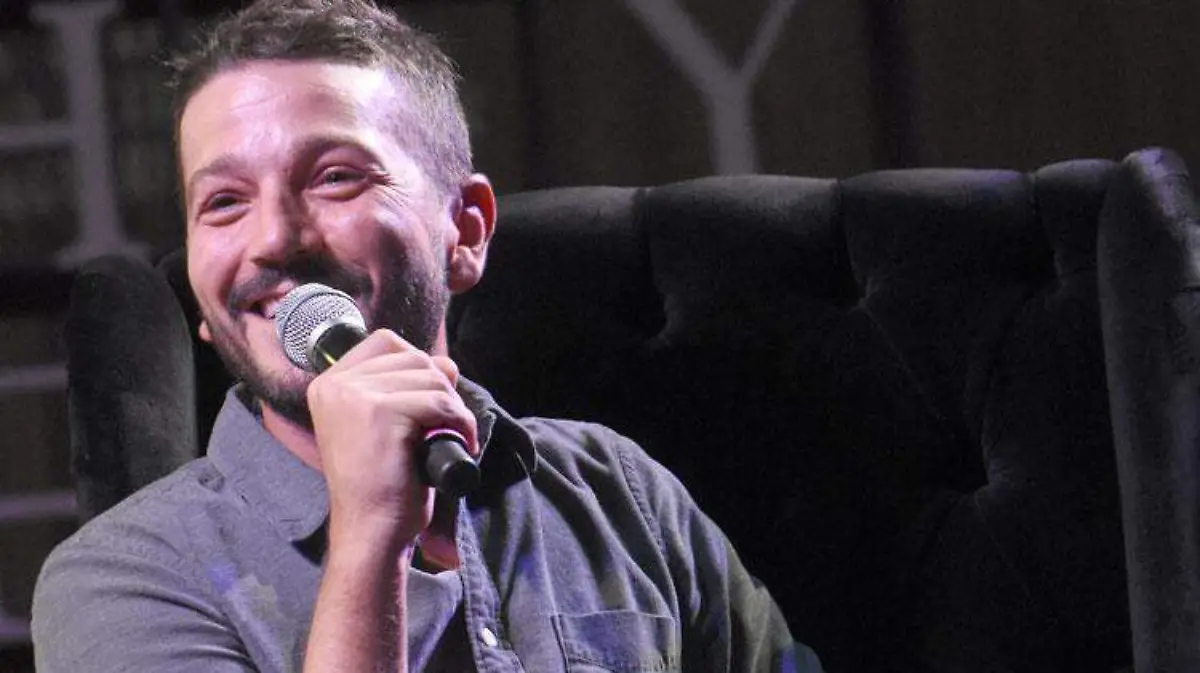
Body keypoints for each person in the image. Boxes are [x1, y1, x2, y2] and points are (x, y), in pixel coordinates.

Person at [32, 1, 822, 671]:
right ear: (203, 302)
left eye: (335, 176)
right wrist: (370, 535)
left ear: (465, 232)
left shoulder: (620, 492)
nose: (272, 238)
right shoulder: (123, 575)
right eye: (225, 203)